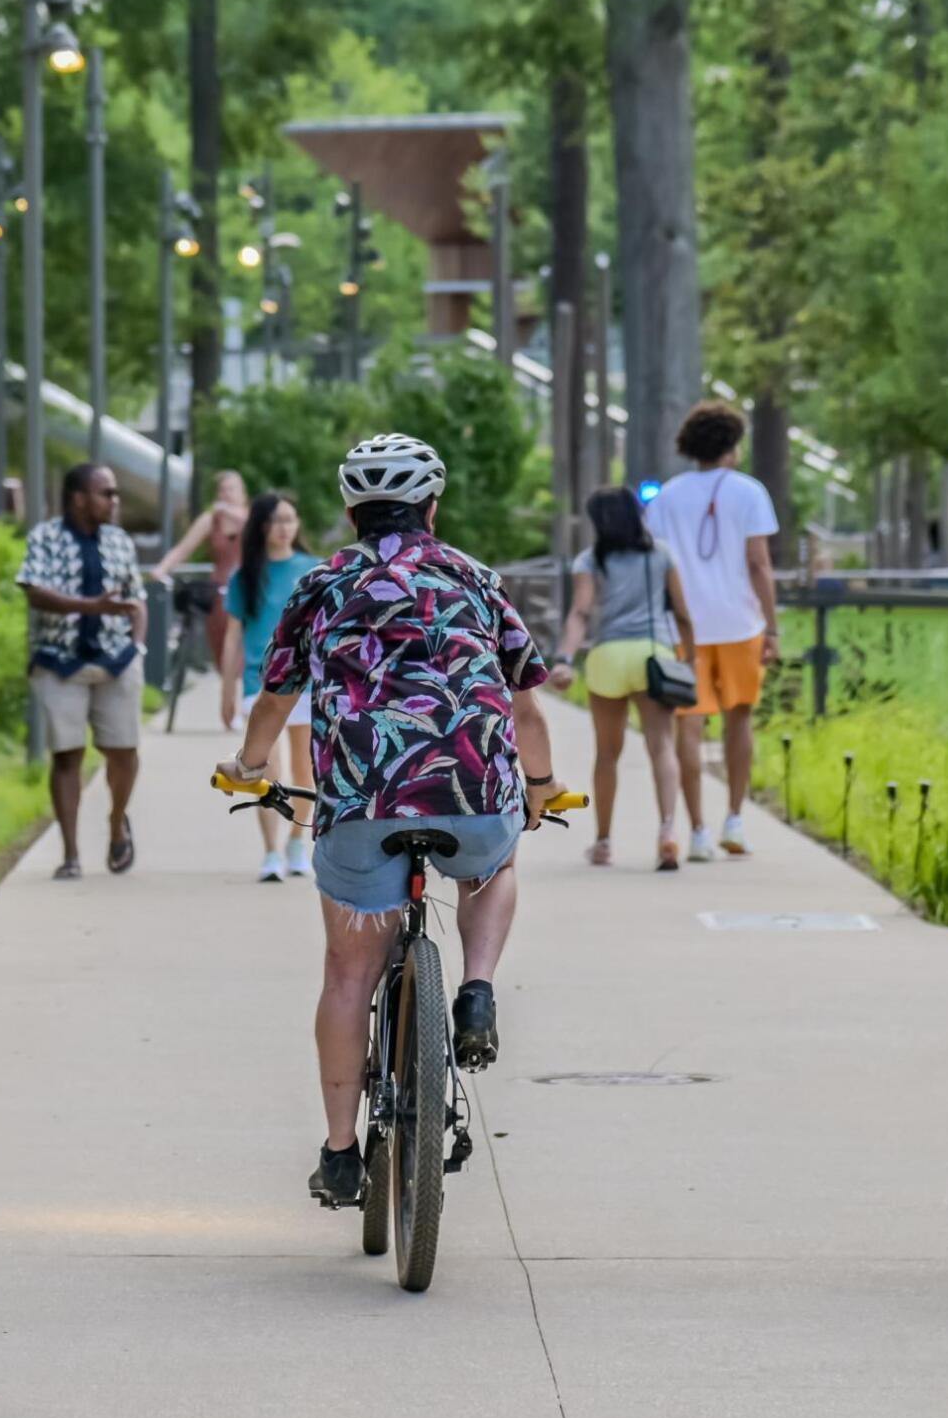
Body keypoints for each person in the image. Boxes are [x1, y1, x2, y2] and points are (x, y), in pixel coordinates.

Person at [228, 433, 559, 1209]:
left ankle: (341, 1154)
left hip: (359, 806)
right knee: (497, 863)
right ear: (432, 508)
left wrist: (249, 767)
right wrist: (538, 788)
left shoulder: (319, 583)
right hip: (472, 797)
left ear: (349, 510)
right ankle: (476, 989)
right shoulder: (474, 578)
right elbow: (526, 705)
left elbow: (277, 699)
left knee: (348, 973)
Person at [642, 400, 779, 862]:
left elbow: (655, 565)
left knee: (690, 727)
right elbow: (759, 563)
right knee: (740, 718)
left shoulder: (665, 497)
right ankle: (735, 819)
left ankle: (697, 830)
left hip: (684, 627)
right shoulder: (750, 492)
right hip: (741, 623)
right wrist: (773, 626)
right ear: (732, 446)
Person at [547, 486, 696, 870]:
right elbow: (682, 613)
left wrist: (564, 657)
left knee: (607, 755)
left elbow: (580, 613)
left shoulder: (589, 560)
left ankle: (603, 842)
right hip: (654, 658)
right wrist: (689, 659)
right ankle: (667, 831)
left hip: (609, 658)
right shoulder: (661, 554)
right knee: (662, 746)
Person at [16, 462, 146, 881]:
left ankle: (116, 822)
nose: (114, 500)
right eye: (105, 492)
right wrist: (89, 607)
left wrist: (137, 646)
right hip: (59, 660)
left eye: (114, 493)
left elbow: (136, 599)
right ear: (79, 498)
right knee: (67, 754)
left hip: (116, 658)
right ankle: (71, 854)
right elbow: (34, 592)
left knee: (124, 750)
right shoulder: (46, 537)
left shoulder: (119, 541)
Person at [222, 490, 320, 882]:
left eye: (290, 520)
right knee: (265, 768)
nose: (284, 528)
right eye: (277, 520)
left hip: (308, 683)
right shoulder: (245, 576)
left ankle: (297, 840)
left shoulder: (314, 570)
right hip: (257, 683)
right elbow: (233, 635)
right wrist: (226, 689)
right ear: (261, 526)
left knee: (304, 766)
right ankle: (270, 851)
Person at [156, 469, 251, 728]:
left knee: (246, 649)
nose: (226, 495)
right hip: (220, 592)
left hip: (251, 591)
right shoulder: (211, 520)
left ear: (242, 493)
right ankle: (230, 700)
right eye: (222, 490)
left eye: (232, 489)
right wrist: (161, 570)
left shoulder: (251, 517)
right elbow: (183, 549)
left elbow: (254, 528)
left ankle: (245, 704)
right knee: (222, 651)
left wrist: (231, 511)